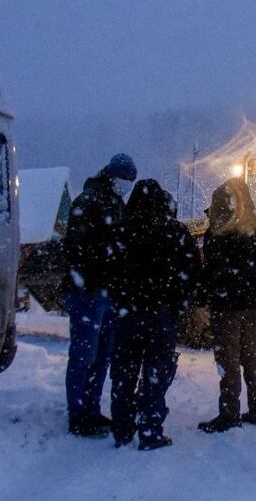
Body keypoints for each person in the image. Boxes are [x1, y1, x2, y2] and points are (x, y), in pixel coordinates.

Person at [108, 179, 200, 450]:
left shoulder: (121, 230)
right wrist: (179, 304)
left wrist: (119, 300)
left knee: (124, 372)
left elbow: (108, 271)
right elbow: (192, 273)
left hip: (127, 314)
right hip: (162, 315)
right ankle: (150, 430)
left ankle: (122, 428)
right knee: (156, 373)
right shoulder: (175, 231)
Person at [63, 153, 137, 437]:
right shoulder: (89, 201)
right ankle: (78, 414)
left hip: (106, 292)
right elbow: (77, 249)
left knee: (102, 355)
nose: (126, 184)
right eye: (124, 179)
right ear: (111, 175)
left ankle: (91, 409)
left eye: (130, 180)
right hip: (88, 292)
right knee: (85, 354)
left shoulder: (115, 203)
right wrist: (107, 262)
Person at [198, 178, 256, 433]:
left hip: (226, 307)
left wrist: (205, 298)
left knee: (228, 359)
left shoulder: (218, 233)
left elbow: (211, 270)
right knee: (251, 357)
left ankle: (229, 413)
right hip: (252, 306)